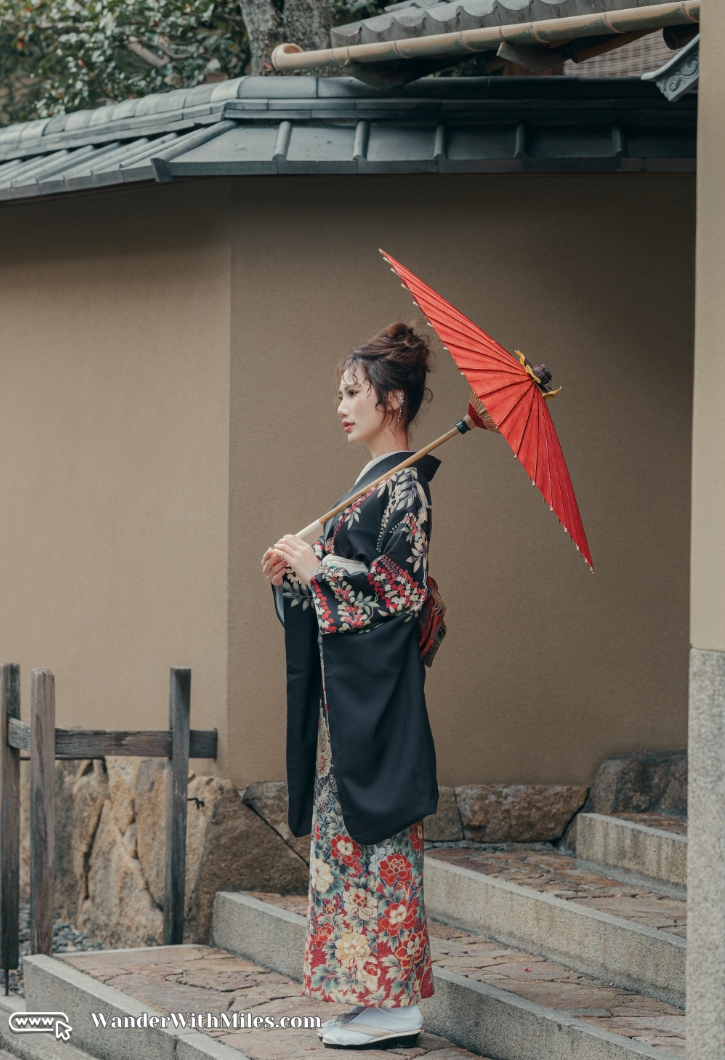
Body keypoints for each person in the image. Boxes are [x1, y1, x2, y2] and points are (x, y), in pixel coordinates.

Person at [262, 323, 440, 1049]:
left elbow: (398, 594)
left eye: (351, 392)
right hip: (349, 698)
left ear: (391, 400)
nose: (340, 405)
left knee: (380, 843)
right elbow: (350, 586)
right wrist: (296, 579)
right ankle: (369, 993)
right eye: (339, 392)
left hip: (378, 703)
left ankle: (396, 1003)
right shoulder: (373, 485)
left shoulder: (405, 489)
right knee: (348, 846)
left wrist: (318, 570)